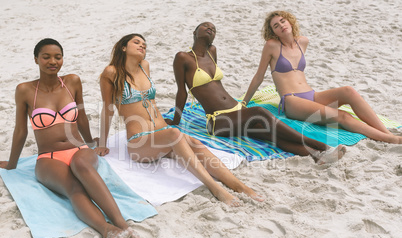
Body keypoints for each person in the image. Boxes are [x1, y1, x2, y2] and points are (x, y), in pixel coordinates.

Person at [94, 34, 265, 207]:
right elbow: (107, 109)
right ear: (123, 47)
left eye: (144, 44)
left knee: (195, 143)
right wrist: (102, 143)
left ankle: (239, 185)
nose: (142, 46)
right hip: (140, 142)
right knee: (175, 133)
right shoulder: (111, 72)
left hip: (161, 134)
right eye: (136, 43)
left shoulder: (144, 66)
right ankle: (215, 188)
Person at [0, 38, 139, 238]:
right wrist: (12, 164)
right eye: (46, 57)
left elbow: (81, 117)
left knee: (81, 165)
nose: (52, 61)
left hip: (78, 149)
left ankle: (123, 224)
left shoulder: (72, 81)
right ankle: (107, 230)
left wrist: (92, 142)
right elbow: (20, 131)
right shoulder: (25, 90)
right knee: (74, 187)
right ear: (36, 59)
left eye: (58, 57)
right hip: (48, 157)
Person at [169, 22, 346, 164]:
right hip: (218, 120)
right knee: (260, 112)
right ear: (195, 32)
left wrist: (242, 103)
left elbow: (216, 85)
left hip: (237, 110)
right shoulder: (183, 57)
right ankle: (323, 146)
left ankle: (316, 156)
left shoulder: (212, 51)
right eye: (206, 26)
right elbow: (181, 93)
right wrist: (175, 120)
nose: (210, 29)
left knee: (270, 133)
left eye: (213, 29)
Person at [244, 10, 402, 144]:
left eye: (283, 21)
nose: (281, 26)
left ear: (290, 22)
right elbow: (259, 77)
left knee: (349, 91)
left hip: (312, 95)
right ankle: (392, 140)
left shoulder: (303, 42)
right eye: (276, 26)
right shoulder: (272, 46)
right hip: (292, 101)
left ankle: (386, 133)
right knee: (342, 116)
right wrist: (244, 102)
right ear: (273, 32)